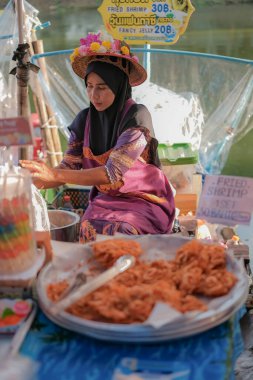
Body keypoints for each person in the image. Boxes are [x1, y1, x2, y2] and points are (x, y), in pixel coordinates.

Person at [20, 31, 175, 242]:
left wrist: (53, 175)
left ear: (119, 86)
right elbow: (69, 166)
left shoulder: (137, 117)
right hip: (106, 201)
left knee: (122, 232)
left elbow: (112, 173)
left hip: (144, 201)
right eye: (90, 87)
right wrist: (29, 180)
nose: (94, 95)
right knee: (87, 230)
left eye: (102, 88)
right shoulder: (84, 120)